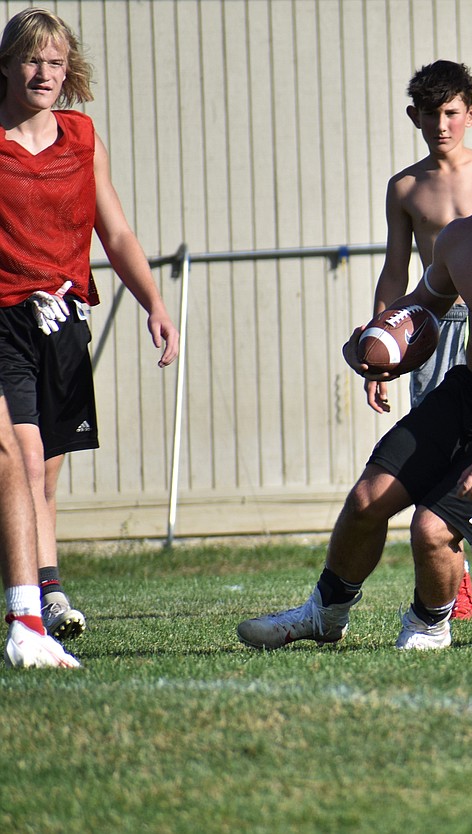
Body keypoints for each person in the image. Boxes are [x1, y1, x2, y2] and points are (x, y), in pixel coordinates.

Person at [238, 104, 472, 651]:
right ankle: (324, 615)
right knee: (366, 500)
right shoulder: (459, 240)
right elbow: (423, 306)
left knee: (431, 529)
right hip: (469, 391)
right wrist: (377, 342)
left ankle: (429, 624)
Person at [0, 8, 179, 641]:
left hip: (63, 318)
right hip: (4, 318)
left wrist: (154, 303)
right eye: (30, 59)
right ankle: (33, 604)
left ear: (68, 68)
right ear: (6, 64)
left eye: (54, 61)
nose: (42, 72)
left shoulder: (82, 137)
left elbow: (117, 230)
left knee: (43, 470)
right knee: (17, 458)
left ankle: (44, 591)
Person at [369, 60, 472, 619]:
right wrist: (383, 346)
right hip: (433, 329)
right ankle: (451, 577)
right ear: (415, 117)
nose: (442, 124)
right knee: (435, 443)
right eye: (431, 114)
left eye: (452, 112)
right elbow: (395, 271)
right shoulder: (405, 187)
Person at [1, 385, 79, 668]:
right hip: (11, 347)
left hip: (55, 344)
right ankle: (29, 621)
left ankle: (34, 615)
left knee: (41, 471)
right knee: (21, 455)